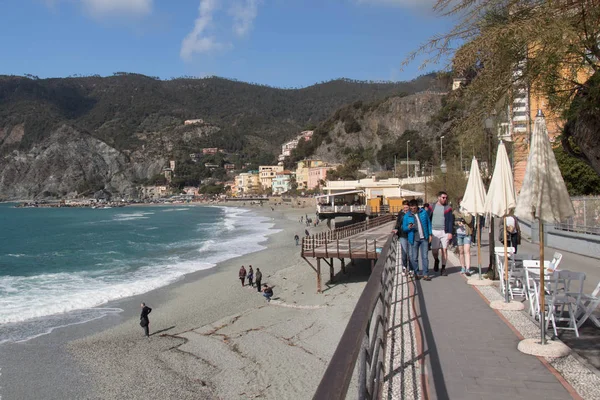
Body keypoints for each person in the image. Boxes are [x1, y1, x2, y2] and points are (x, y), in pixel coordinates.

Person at [403, 199, 432, 280]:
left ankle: (425, 274)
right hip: (414, 239)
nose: (412, 210)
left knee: (425, 257)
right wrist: (408, 227)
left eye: (414, 208)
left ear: (417, 206)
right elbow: (404, 228)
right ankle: (416, 273)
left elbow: (428, 223)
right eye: (411, 208)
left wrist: (430, 234)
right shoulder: (407, 216)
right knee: (414, 258)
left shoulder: (423, 213)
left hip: (424, 238)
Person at [430, 191, 454, 276]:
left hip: (444, 231)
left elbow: (451, 221)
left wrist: (450, 232)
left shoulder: (448, 208)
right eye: (443, 197)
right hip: (434, 231)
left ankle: (443, 268)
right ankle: (436, 260)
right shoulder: (432, 207)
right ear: (439, 198)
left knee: (444, 250)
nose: (445, 199)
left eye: (446, 198)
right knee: (434, 250)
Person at [453, 197, 473, 275]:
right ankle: (463, 267)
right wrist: (457, 223)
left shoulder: (468, 211)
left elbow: (469, 220)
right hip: (459, 233)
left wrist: (463, 215)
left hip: (467, 233)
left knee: (467, 251)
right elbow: (453, 221)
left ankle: (468, 268)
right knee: (461, 251)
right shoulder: (455, 211)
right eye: (461, 202)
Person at [392, 200, 412, 275]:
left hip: (410, 234)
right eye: (404, 207)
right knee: (404, 252)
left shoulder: (411, 213)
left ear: (409, 207)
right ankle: (404, 267)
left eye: (407, 207)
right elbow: (398, 222)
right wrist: (396, 229)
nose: (405, 209)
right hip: (402, 235)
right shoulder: (401, 213)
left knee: (410, 253)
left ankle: (411, 268)